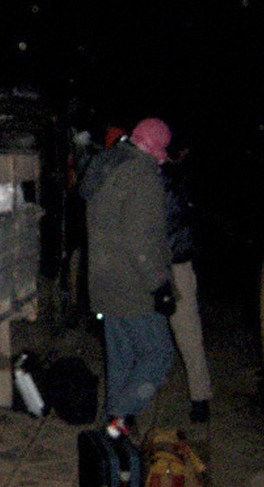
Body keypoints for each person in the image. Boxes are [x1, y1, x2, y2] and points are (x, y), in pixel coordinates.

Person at [79, 117, 175, 431]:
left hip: (104, 282)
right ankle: (120, 413)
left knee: (121, 358)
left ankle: (115, 429)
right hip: (133, 286)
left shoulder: (107, 167)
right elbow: (142, 239)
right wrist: (159, 285)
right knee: (159, 355)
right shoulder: (142, 175)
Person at [161, 145, 213, 423]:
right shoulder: (158, 175)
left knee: (187, 330)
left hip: (177, 262)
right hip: (159, 262)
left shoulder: (176, 178)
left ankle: (200, 397)